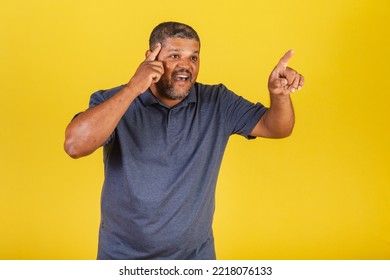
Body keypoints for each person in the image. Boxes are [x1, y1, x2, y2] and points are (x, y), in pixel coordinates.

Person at [64, 21, 304, 260]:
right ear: (151, 57)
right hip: (122, 259)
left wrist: (279, 95)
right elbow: (75, 146)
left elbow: (277, 128)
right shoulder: (114, 101)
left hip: (195, 260)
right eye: (175, 55)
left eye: (193, 58)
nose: (186, 66)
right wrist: (133, 88)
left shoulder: (217, 101)